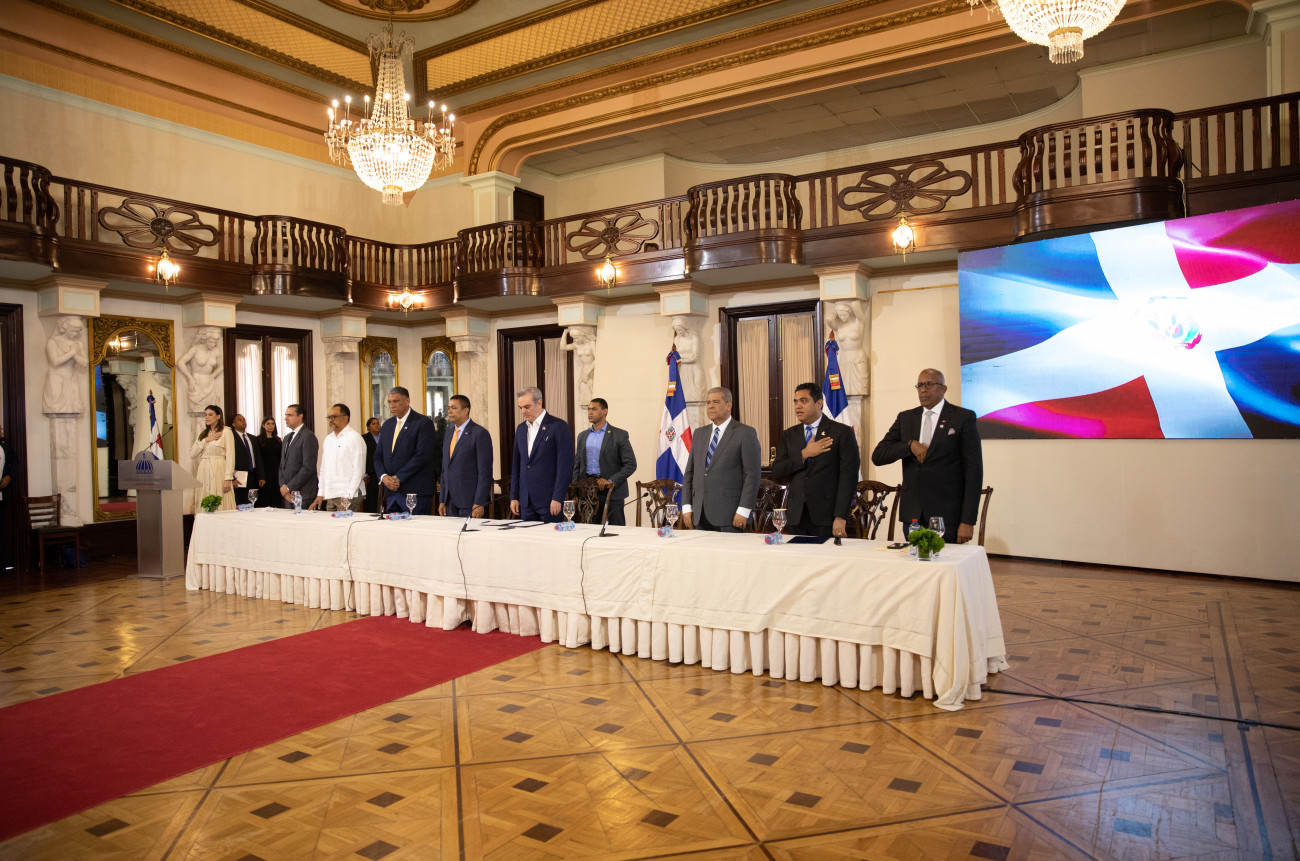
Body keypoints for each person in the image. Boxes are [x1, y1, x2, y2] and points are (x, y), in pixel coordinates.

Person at [871, 368, 983, 544]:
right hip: (913, 516)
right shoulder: (906, 418)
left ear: (943, 389)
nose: (923, 389)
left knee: (945, 560)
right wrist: (909, 445)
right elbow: (878, 456)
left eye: (929, 384)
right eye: (919, 385)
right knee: (916, 561)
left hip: (947, 517)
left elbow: (973, 472)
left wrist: (967, 520)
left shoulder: (962, 417)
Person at [770, 383, 859, 538]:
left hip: (827, 516)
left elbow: (848, 477)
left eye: (804, 401)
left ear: (819, 403)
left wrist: (840, 516)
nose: (798, 406)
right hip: (796, 516)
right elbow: (777, 470)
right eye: (795, 401)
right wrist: (804, 454)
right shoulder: (789, 435)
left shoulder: (841, 432)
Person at [681, 386, 760, 532]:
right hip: (699, 514)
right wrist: (687, 506)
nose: (710, 406)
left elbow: (752, 475)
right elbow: (689, 473)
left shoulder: (745, 433)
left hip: (730, 515)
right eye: (708, 402)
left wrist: (743, 510)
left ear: (729, 405)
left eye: (715, 402)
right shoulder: (699, 433)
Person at [509, 387, 573, 523]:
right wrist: (514, 496)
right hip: (525, 501)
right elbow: (516, 465)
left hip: (549, 501)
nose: (523, 411)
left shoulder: (558, 426)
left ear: (539, 403)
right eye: (520, 408)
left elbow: (565, 467)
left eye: (527, 407)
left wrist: (557, 497)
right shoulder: (520, 429)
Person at [572, 397, 637, 526]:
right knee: (589, 530)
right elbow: (577, 465)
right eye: (589, 409)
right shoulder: (582, 436)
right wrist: (575, 491)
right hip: (588, 492)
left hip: (612, 491)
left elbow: (631, 464)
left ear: (604, 411)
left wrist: (611, 480)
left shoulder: (619, 435)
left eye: (594, 409)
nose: (590, 412)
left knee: (617, 530)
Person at [373, 386, 436, 514]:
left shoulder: (423, 423)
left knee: (414, 527)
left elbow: (422, 456)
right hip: (391, 492)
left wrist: (398, 478)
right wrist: (384, 477)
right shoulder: (387, 425)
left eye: (396, 401)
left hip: (415, 491)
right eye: (389, 402)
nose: (392, 406)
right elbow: (378, 456)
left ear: (407, 401)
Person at [438, 395, 493, 518]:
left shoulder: (479, 433)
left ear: (465, 410)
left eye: (454, 408)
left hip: (470, 502)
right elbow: (445, 469)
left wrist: (479, 502)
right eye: (448, 408)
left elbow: (485, 472)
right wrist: (442, 500)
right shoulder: (448, 433)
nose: (449, 411)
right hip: (449, 502)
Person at [309, 403, 366, 511]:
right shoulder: (328, 439)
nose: (331, 420)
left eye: (334, 416)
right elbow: (324, 469)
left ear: (345, 418)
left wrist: (347, 497)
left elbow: (359, 471)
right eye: (329, 417)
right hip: (331, 494)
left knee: (346, 522)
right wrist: (320, 493)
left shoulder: (355, 438)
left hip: (349, 496)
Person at [189, 404, 236, 511]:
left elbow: (230, 456)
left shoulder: (226, 432)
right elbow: (192, 454)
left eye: (210, 414)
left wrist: (228, 478)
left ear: (218, 416)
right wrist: (206, 440)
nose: (207, 417)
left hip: (219, 469)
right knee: (204, 497)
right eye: (205, 415)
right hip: (204, 470)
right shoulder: (203, 434)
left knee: (219, 498)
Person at [278, 403, 319, 508]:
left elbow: (308, 467)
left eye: (290, 415)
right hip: (288, 496)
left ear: (300, 416)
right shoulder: (287, 438)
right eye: (286, 415)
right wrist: (284, 487)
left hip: (304, 494)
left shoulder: (308, 436)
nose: (286, 418)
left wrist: (289, 487)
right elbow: (282, 466)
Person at [228, 414, 262, 507]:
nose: (243, 421)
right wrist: (232, 478)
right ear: (233, 424)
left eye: (244, 419)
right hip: (239, 475)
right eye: (239, 420)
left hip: (253, 474)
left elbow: (258, 457)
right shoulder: (231, 437)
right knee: (240, 502)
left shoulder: (252, 438)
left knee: (253, 502)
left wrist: (261, 476)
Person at [254, 417, 281, 508]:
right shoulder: (258, 440)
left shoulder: (278, 440)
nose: (271, 426)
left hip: (276, 472)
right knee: (264, 498)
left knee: (276, 497)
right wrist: (260, 476)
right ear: (263, 425)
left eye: (272, 424)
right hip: (264, 472)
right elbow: (257, 458)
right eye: (268, 424)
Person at [363, 416, 381, 513]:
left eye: (378, 423)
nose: (377, 425)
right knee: (372, 498)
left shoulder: (384, 437)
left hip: (383, 473)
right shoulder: (364, 438)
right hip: (371, 473)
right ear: (368, 427)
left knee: (382, 497)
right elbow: (363, 457)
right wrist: (365, 474)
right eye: (373, 424)